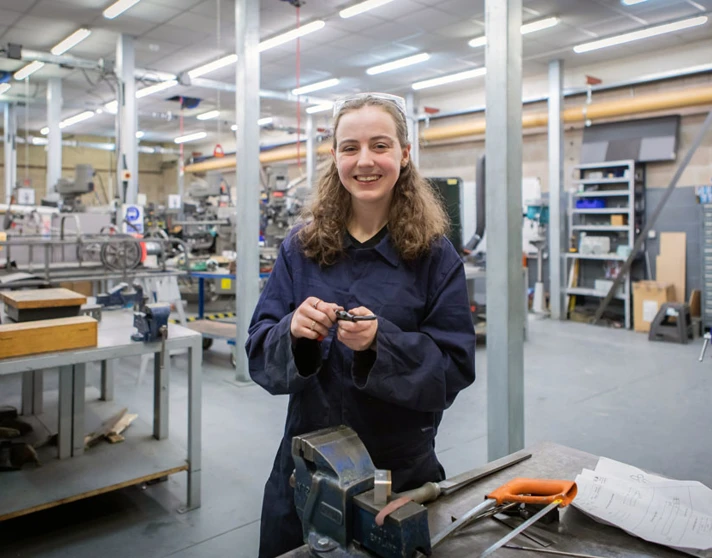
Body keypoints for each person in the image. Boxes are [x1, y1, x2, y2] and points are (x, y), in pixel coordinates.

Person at [245, 92, 476, 557]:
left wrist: (379, 343)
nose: (364, 161)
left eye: (380, 145)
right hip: (305, 470)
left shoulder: (435, 256)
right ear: (334, 156)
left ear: (404, 155)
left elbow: (454, 368)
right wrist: (294, 331)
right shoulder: (300, 248)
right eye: (350, 147)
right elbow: (257, 353)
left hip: (398, 477)